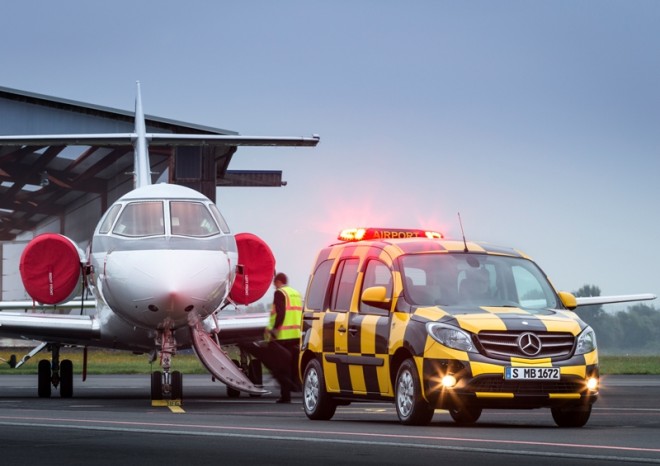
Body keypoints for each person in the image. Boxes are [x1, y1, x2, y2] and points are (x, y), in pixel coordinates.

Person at [266, 272, 303, 403]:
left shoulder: (279, 293)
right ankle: (297, 389)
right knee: (293, 366)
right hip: (296, 335)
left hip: (283, 336)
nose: (273, 287)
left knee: (282, 367)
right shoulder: (296, 293)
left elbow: (280, 313)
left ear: (278, 282)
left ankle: (285, 396)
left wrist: (274, 330)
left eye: (274, 283)